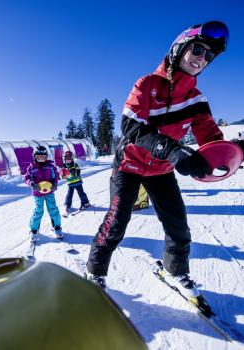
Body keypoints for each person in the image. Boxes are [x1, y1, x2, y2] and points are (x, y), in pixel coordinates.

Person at [85, 21, 230, 297]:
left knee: (178, 224)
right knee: (116, 223)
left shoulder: (196, 99)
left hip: (161, 170)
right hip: (129, 164)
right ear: (179, 48)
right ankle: (95, 272)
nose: (201, 58)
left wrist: (226, 154)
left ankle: (175, 271)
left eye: (208, 56)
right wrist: (173, 151)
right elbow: (131, 128)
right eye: (197, 49)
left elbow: (209, 135)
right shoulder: (147, 84)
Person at [25, 146, 62, 241]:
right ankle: (34, 229)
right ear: (34, 157)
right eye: (39, 157)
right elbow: (26, 178)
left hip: (49, 192)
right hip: (38, 193)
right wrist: (32, 183)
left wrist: (55, 184)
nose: (41, 159)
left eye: (43, 157)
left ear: (46, 157)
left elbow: (56, 177)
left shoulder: (51, 167)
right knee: (39, 210)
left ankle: (56, 227)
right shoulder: (31, 168)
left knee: (53, 209)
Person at [60, 151, 90, 216]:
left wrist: (73, 172)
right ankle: (67, 204)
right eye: (67, 158)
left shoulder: (75, 165)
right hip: (70, 183)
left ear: (72, 158)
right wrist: (62, 176)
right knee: (69, 194)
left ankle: (85, 202)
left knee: (81, 193)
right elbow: (62, 175)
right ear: (64, 159)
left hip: (78, 182)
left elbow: (78, 172)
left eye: (69, 158)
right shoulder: (64, 166)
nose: (68, 159)